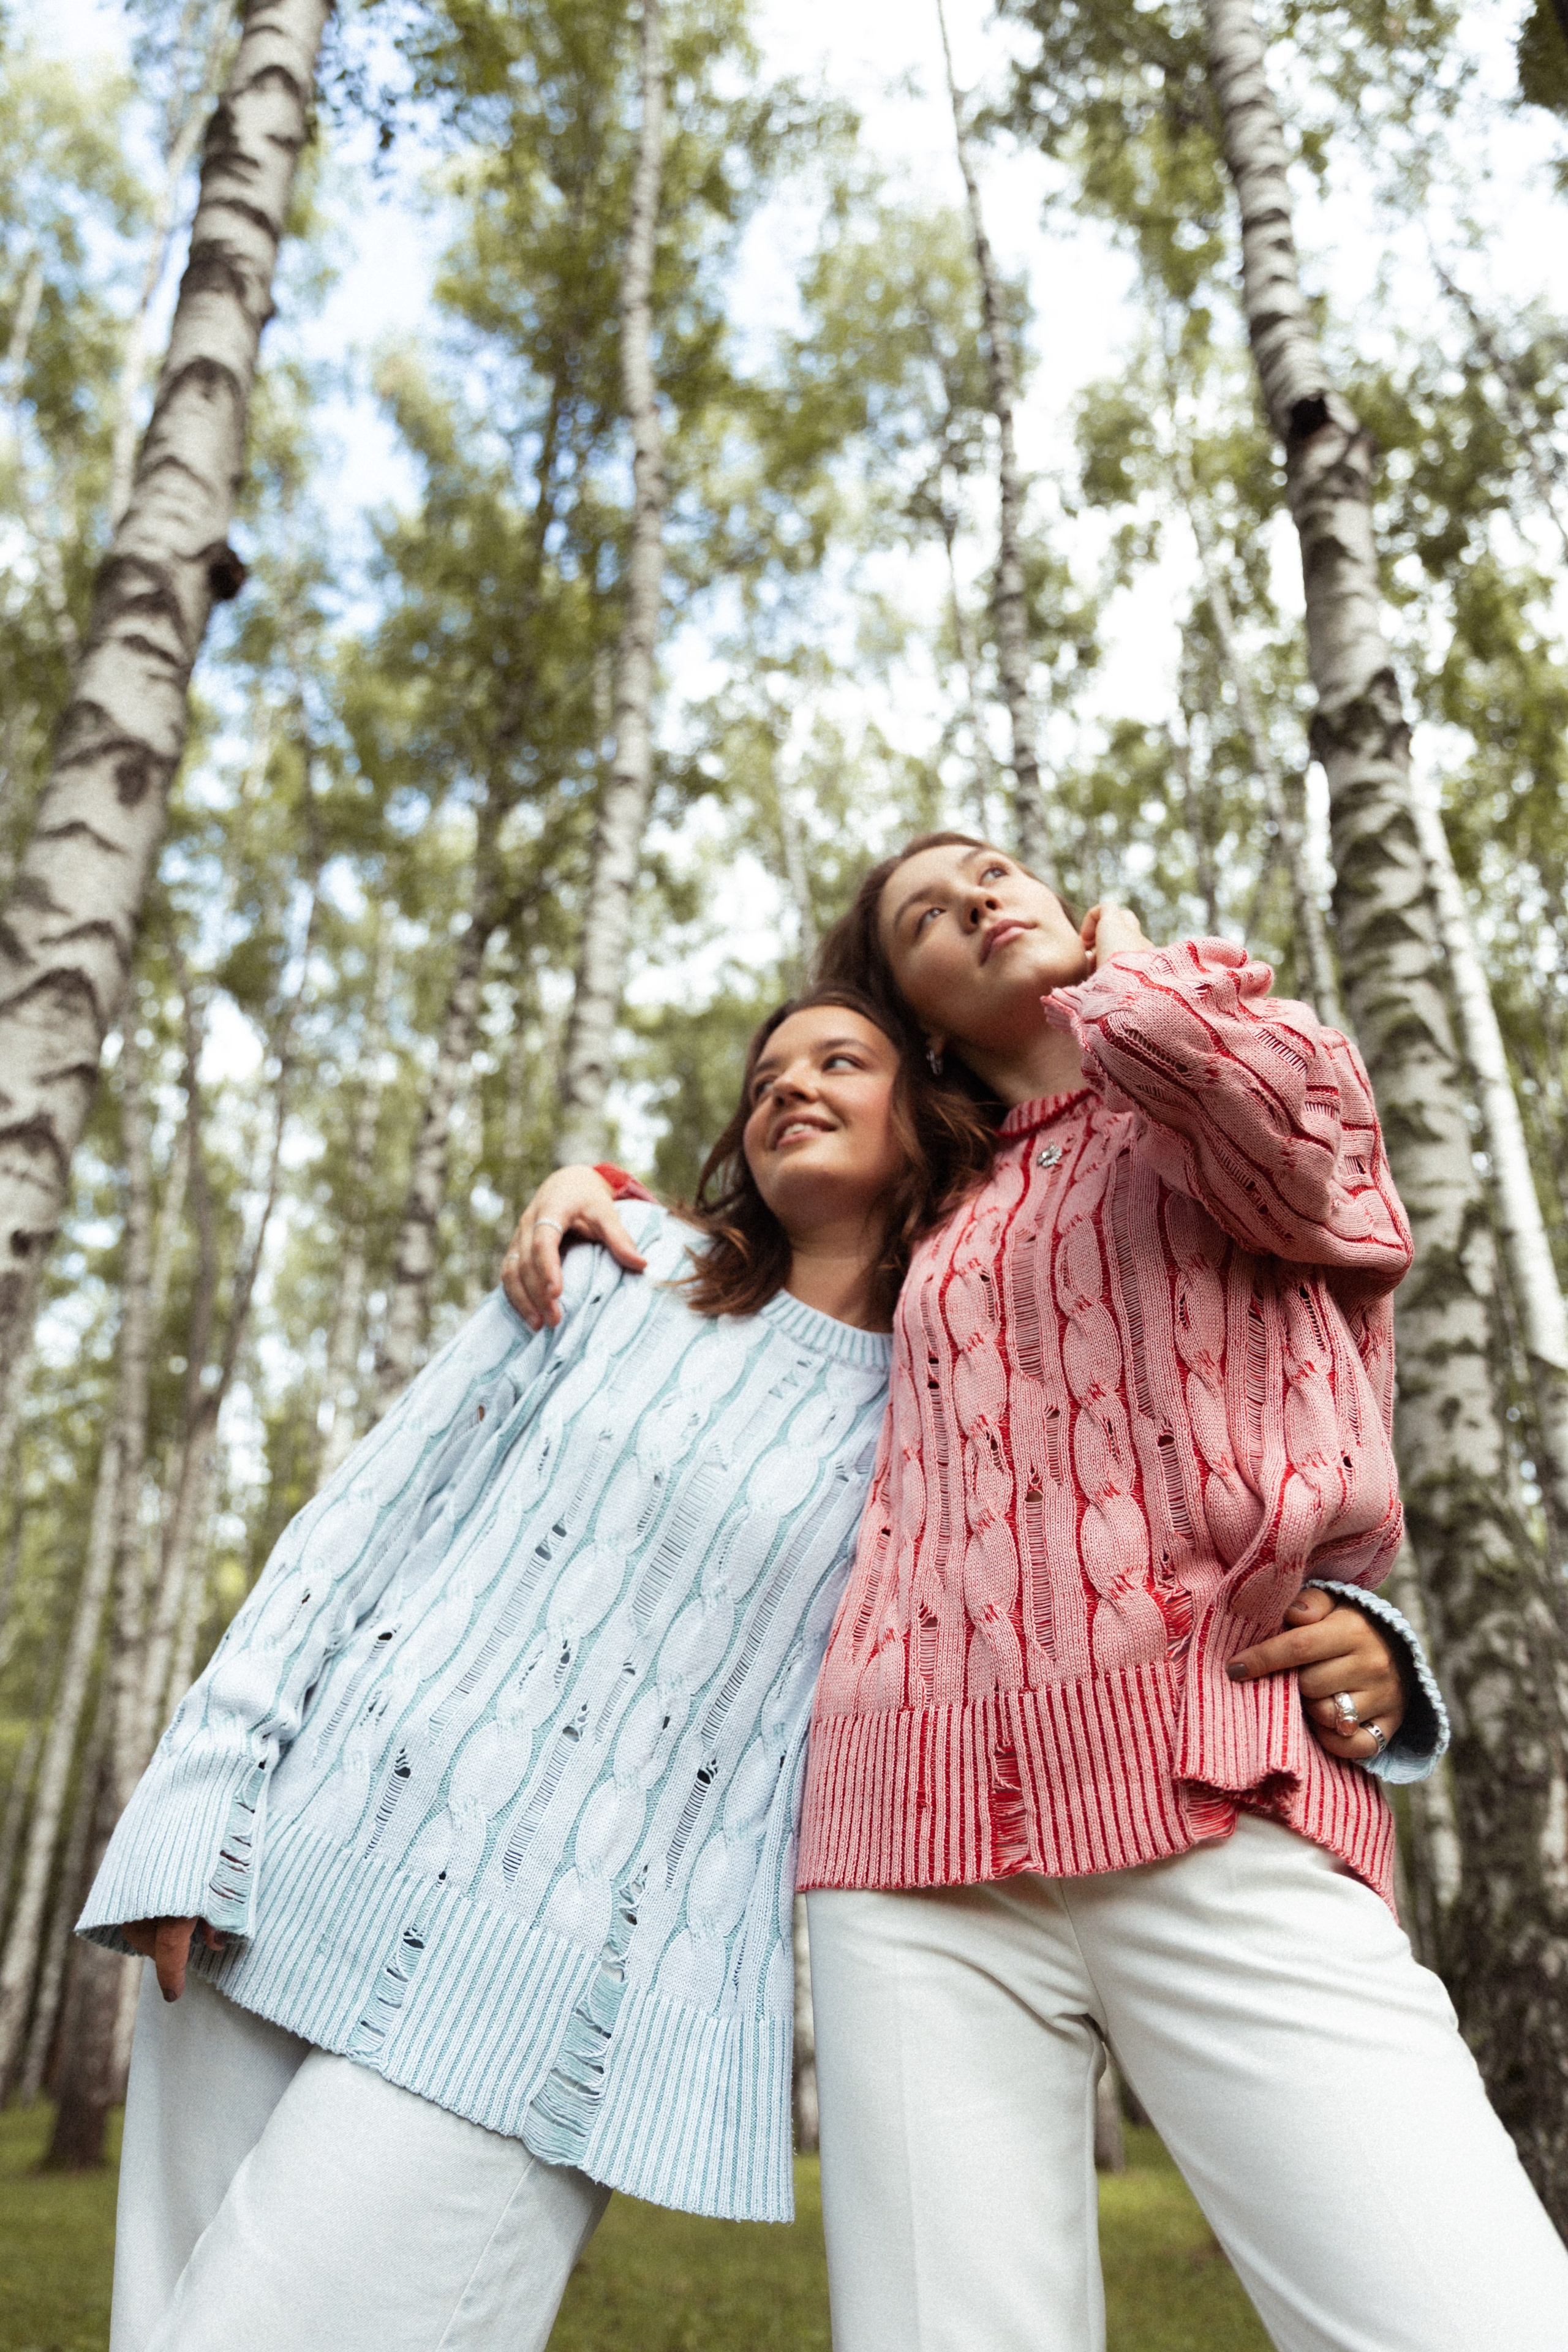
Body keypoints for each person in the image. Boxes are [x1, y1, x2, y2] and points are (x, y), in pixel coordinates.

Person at [505, 835, 1568, 2352]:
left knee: (1467, 2315)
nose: (979, 903)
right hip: (909, 1844)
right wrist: (593, 1193)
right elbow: (754, 1297)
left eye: (995, 873)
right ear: (920, 1014)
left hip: (1211, 1784)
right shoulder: (931, 1212)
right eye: (929, 919)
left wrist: (1122, 970)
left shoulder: (1214, 1037)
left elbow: (1300, 1159)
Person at [81, 987, 988, 2352]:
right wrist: (200, 1799)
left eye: (839, 1062)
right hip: (283, 1863)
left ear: (928, 1118)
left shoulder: (955, 1404)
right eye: (763, 1076)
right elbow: (363, 1522)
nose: (785, 1088)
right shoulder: (619, 1265)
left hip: (555, 1974)